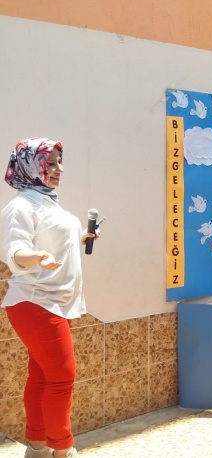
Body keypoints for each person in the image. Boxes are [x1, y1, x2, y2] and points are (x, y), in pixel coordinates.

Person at [0, 138, 98, 458]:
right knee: (61, 378)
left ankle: (38, 447)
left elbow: (53, 237)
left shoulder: (47, 201)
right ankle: (62, 449)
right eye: (51, 163)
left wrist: (83, 236)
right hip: (35, 301)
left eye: (59, 162)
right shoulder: (20, 206)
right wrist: (36, 257)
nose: (59, 169)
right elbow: (15, 250)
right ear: (30, 165)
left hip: (53, 301)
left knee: (43, 377)